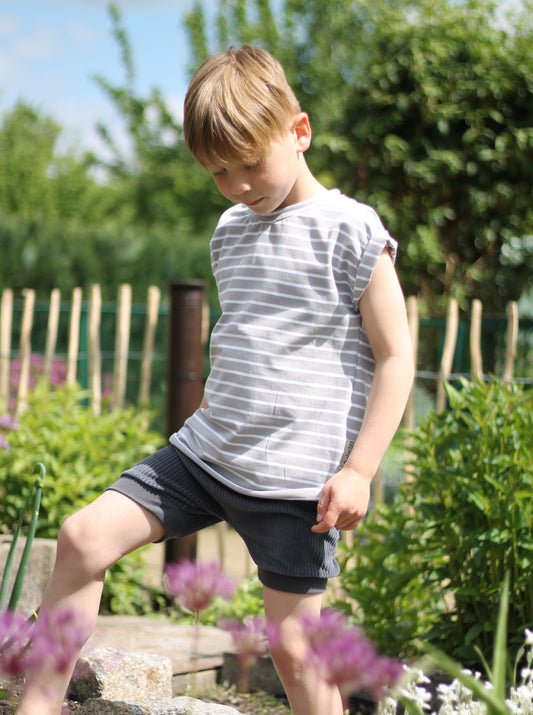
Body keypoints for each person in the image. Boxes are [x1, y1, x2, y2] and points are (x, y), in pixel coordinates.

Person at [16, 44, 414, 715]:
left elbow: (395, 354)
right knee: (83, 536)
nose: (237, 185)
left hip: (295, 482)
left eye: (249, 163)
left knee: (293, 647)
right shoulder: (230, 229)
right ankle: (37, 707)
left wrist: (360, 469)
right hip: (206, 453)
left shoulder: (352, 230)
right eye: (217, 172)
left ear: (299, 131)